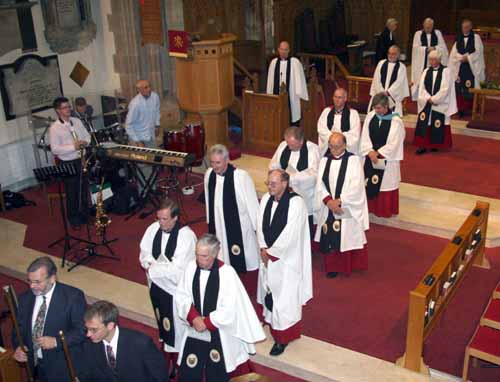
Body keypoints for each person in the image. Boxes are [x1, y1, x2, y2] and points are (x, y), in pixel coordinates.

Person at [175, 234, 265, 382]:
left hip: (221, 331)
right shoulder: (191, 267)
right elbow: (181, 295)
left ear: (215, 254)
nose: (198, 259)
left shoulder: (227, 274)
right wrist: (194, 317)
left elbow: (230, 308)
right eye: (197, 254)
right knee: (191, 368)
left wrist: (207, 322)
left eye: (203, 256)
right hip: (195, 329)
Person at [256, 169, 313, 356]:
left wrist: (271, 253)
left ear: (284, 184)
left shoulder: (297, 204)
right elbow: (260, 224)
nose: (269, 186)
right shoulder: (266, 199)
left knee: (285, 300)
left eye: (273, 183)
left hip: (287, 261)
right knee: (270, 293)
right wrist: (264, 248)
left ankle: (283, 338)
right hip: (268, 257)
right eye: (268, 182)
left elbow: (291, 234)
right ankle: (273, 324)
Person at [139, 198, 196, 379]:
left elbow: (178, 270)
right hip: (157, 288)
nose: (160, 222)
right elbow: (144, 253)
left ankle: (180, 362)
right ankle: (167, 356)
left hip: (175, 291)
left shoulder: (186, 236)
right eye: (159, 218)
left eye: (164, 219)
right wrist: (151, 264)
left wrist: (153, 268)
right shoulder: (153, 229)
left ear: (175, 218)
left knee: (178, 329)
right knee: (163, 324)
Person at [12, 256, 87, 382]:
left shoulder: (73, 297)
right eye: (29, 281)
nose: (31, 286)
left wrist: (57, 342)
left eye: (37, 282)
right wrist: (18, 347)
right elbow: (18, 329)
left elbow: (82, 331)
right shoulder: (25, 299)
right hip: (35, 366)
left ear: (52, 278)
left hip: (62, 369)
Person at [314, 133, 369, 279]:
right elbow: (319, 184)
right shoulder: (325, 160)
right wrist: (328, 201)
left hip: (347, 205)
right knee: (331, 235)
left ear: (344, 145)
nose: (333, 150)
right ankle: (332, 266)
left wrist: (339, 201)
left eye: (337, 147)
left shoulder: (353, 160)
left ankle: (348, 265)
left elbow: (357, 185)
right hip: (329, 206)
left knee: (346, 235)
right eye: (331, 146)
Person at [204, 144, 260, 274]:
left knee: (242, 247)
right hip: (217, 220)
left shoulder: (240, 177)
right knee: (221, 246)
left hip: (239, 223)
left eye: (218, 162)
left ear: (227, 160)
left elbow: (252, 204)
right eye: (212, 162)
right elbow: (208, 198)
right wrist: (209, 219)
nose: (214, 166)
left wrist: (258, 228)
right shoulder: (209, 174)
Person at [81, 300, 168, 382]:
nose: (88, 334)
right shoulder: (89, 345)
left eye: (94, 330)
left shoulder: (142, 344)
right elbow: (88, 375)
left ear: (110, 326)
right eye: (87, 329)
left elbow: (160, 378)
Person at [360, 93, 405, 217]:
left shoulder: (396, 121)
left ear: (386, 106)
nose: (376, 110)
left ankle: (384, 210)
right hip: (371, 157)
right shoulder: (371, 116)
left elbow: (394, 142)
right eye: (375, 107)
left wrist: (378, 153)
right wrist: (369, 151)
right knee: (370, 182)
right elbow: (365, 136)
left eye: (379, 108)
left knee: (385, 184)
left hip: (387, 160)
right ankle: (371, 208)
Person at [269, 127, 320, 235]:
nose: (289, 147)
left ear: (301, 141)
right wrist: (277, 174)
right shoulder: (283, 146)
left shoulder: (313, 149)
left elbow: (314, 174)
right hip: (284, 190)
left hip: (304, 193)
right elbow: (273, 164)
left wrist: (291, 178)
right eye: (288, 143)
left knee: (303, 226)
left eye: (292, 144)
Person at [49, 96, 91, 228]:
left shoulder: (76, 121)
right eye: (65, 107)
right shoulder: (55, 128)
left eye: (68, 106)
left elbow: (87, 136)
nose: (68, 109)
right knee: (72, 192)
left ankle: (85, 215)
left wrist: (85, 142)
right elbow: (55, 149)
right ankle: (74, 219)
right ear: (58, 111)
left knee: (84, 189)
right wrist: (73, 147)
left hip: (81, 159)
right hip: (67, 163)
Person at [414, 50, 457, 155]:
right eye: (430, 59)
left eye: (434, 59)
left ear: (439, 60)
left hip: (439, 104)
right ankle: (423, 145)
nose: (432, 61)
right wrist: (428, 98)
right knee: (425, 123)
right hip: (426, 103)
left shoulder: (446, 71)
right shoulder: (426, 71)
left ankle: (435, 145)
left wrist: (434, 99)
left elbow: (445, 89)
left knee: (437, 123)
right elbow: (422, 87)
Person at [125, 80, 161, 192]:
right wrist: (137, 141)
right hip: (137, 136)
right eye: (145, 88)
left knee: (155, 162)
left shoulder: (155, 96)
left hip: (150, 135)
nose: (148, 89)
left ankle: (153, 188)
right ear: (139, 90)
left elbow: (157, 111)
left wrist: (157, 125)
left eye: (149, 86)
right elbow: (128, 125)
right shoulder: (135, 104)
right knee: (143, 166)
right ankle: (143, 192)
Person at [448, 19, 485, 117]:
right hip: (460, 67)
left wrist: (468, 58)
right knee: (459, 88)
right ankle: (460, 108)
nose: (465, 29)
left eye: (467, 27)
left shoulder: (476, 38)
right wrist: (461, 58)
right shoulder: (458, 38)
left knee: (470, 87)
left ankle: (470, 108)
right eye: (463, 27)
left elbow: (478, 52)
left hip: (471, 67)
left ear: (471, 27)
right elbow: (453, 53)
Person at [266, 41, 309, 126]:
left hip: (292, 97)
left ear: (289, 50)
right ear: (278, 50)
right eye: (282, 49)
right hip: (277, 96)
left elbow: (300, 80)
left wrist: (301, 94)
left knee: (292, 116)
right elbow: (270, 81)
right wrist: (269, 95)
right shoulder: (273, 63)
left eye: (286, 50)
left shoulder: (294, 62)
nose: (283, 52)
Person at [411, 18, 449, 100]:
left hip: (434, 61)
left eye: (430, 27)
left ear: (433, 26)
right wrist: (426, 49)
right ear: (423, 25)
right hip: (422, 61)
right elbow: (415, 48)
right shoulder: (418, 34)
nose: (428, 28)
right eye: (426, 27)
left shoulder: (437, 33)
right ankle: (421, 95)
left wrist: (434, 48)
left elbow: (443, 47)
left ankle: (434, 95)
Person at [317, 88, 361, 156]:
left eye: (339, 97)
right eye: (335, 97)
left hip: (346, 149)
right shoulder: (326, 111)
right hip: (329, 147)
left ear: (345, 98)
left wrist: (339, 138)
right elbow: (321, 129)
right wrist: (332, 137)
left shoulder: (353, 114)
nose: (337, 100)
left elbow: (355, 133)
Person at [368, 45, 409, 116]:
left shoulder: (402, 67)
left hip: (392, 97)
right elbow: (376, 79)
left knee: (391, 120)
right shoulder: (381, 63)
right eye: (389, 53)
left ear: (398, 55)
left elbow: (399, 83)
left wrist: (388, 92)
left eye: (393, 54)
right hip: (379, 94)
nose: (391, 55)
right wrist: (381, 92)